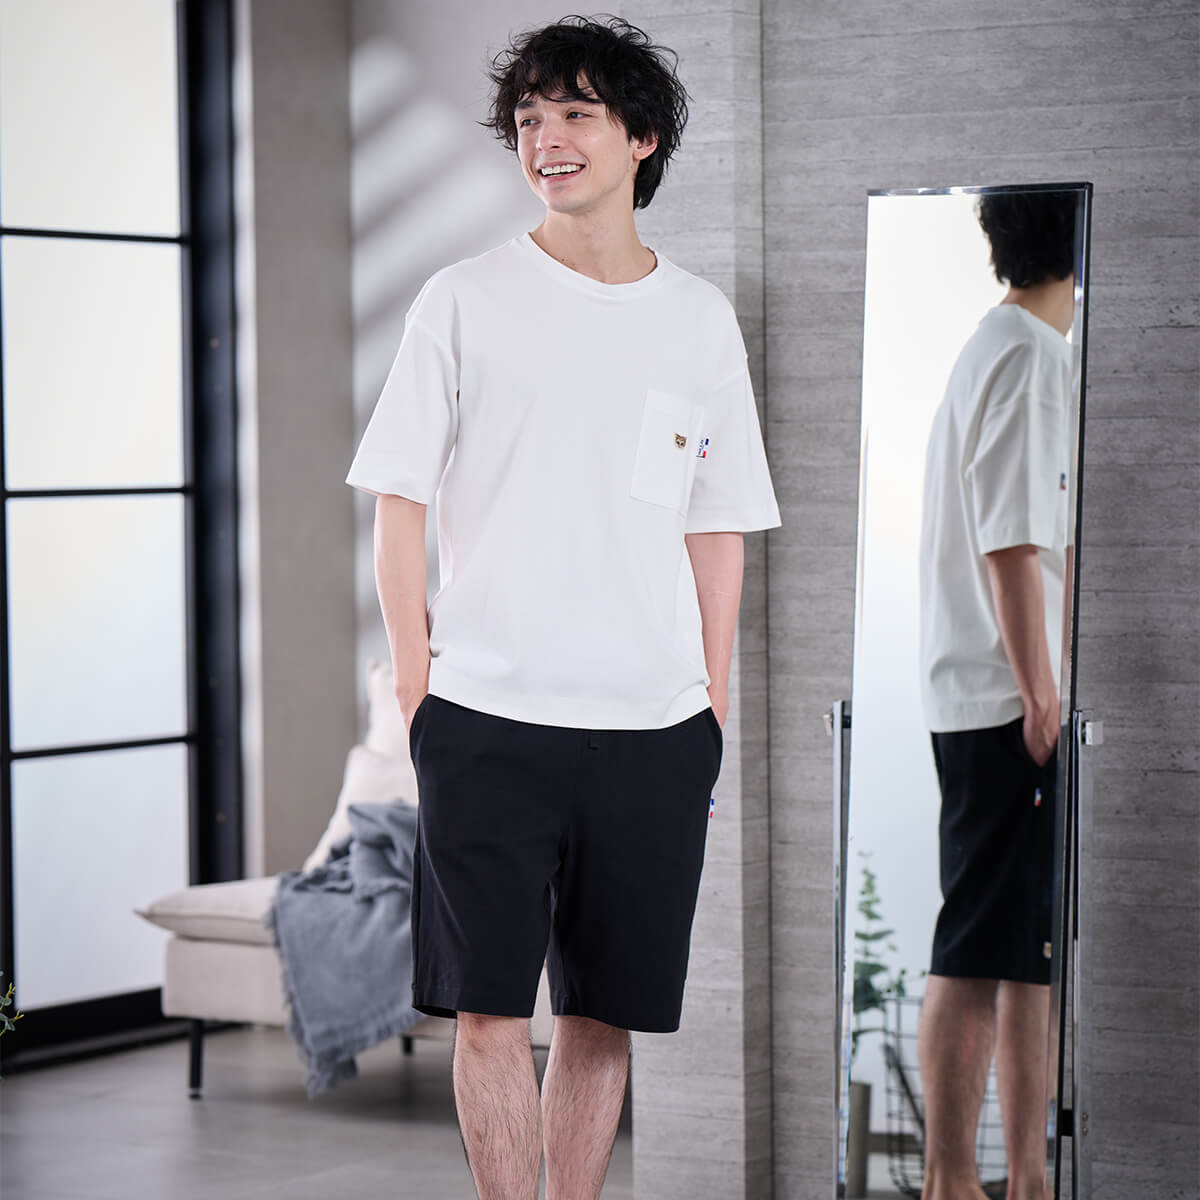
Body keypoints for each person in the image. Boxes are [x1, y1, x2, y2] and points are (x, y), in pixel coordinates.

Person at [345, 17, 779, 1200]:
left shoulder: (697, 320)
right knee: (489, 1014)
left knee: (602, 1015)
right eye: (530, 118)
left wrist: (711, 705)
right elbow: (399, 501)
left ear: (642, 138)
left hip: (654, 730)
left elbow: (716, 523)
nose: (548, 138)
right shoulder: (463, 300)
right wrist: (419, 687)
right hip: (486, 719)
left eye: (577, 114)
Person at [916, 190, 1078, 1200]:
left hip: (986, 694)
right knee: (979, 945)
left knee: (1025, 954)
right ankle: (951, 1183)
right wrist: (1040, 694)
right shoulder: (1027, 358)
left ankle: (1025, 1180)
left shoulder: (1000, 345)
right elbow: (1012, 543)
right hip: (1004, 704)